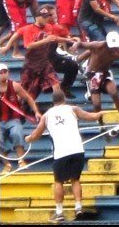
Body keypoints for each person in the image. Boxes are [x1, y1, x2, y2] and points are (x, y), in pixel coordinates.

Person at [24, 90, 104, 222]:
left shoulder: (47, 115)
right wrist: (100, 113)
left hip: (61, 153)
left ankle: (59, 212)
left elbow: (36, 134)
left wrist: (29, 139)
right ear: (64, 99)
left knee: (59, 181)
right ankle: (78, 207)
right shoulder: (73, 109)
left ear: (53, 101)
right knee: (75, 179)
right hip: (77, 150)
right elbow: (91, 116)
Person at [0, 5, 74, 99]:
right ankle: (17, 106)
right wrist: (7, 46)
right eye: (44, 17)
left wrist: (68, 40)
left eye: (47, 16)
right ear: (37, 17)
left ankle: (58, 107)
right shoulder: (29, 29)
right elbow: (28, 45)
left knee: (56, 85)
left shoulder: (48, 27)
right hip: (31, 66)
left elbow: (54, 38)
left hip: (45, 64)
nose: (46, 19)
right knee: (27, 93)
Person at [71, 32, 119, 118]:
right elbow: (82, 44)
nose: (113, 49)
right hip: (93, 74)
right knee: (97, 103)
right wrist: (76, 45)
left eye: (115, 47)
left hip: (105, 74)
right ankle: (100, 124)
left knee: (114, 93)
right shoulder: (99, 45)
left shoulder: (118, 53)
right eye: (111, 47)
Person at [0, 63, 40, 174]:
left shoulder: (14, 86)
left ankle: (21, 160)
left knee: (16, 133)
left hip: (13, 119)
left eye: (5, 71)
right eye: (1, 72)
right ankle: (6, 164)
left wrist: (36, 112)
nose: (3, 74)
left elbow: (28, 98)